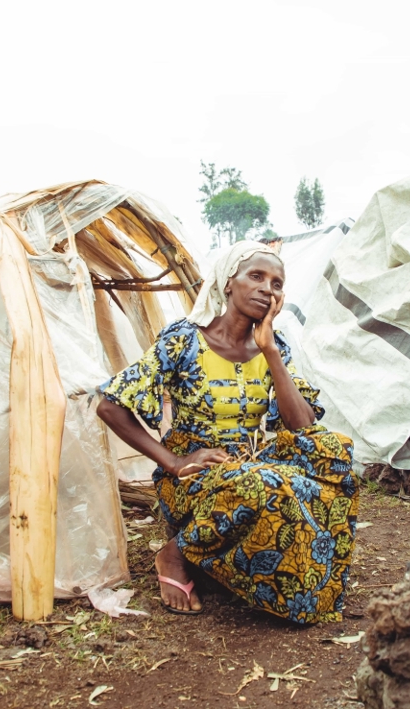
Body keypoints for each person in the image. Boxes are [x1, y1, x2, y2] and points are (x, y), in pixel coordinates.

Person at [96, 240, 358, 623]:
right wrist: (172, 460)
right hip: (195, 477)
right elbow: (109, 404)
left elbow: (303, 428)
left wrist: (269, 350)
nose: (267, 288)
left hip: (250, 464)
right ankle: (177, 551)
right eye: (256, 276)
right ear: (228, 282)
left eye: (277, 283)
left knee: (335, 451)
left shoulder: (274, 347)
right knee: (261, 482)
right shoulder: (184, 340)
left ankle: (285, 572)